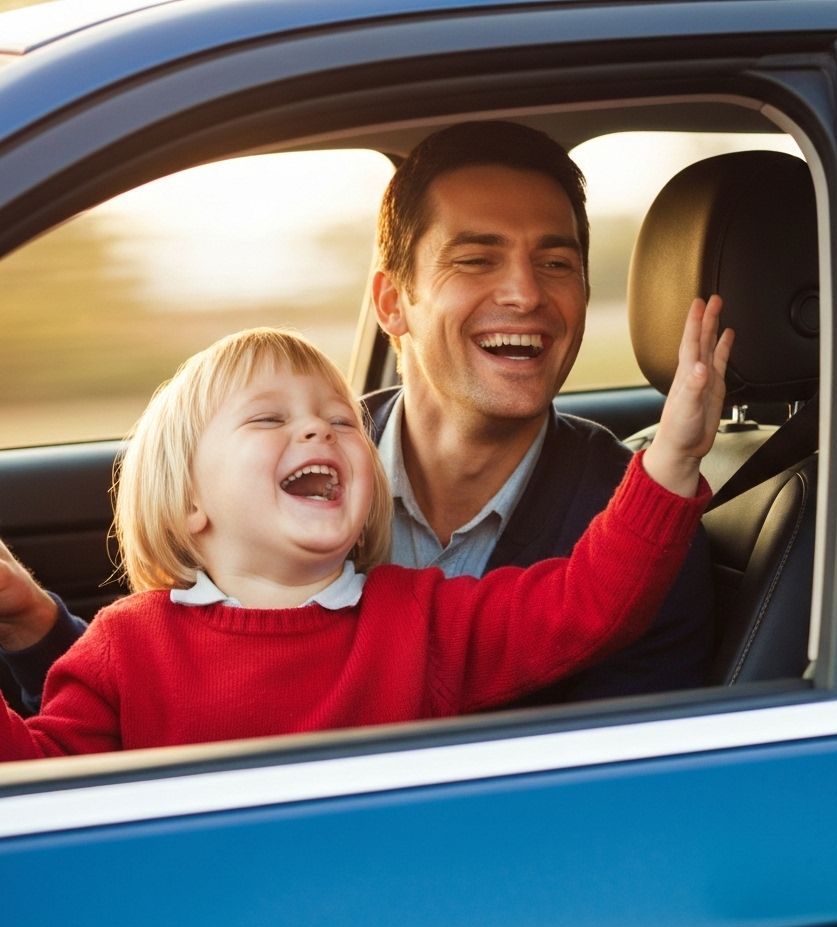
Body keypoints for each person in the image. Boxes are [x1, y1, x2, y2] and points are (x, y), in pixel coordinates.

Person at [0, 120, 716, 714]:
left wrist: (672, 465)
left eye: (556, 264)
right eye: (476, 259)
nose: (526, 294)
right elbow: (179, 701)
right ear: (392, 303)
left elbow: (609, 788)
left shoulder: (642, 543)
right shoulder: (302, 476)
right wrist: (38, 627)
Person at [0, 300, 730, 758]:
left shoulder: (421, 618)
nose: (319, 429)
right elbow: (37, 780)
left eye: (342, 420)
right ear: (191, 501)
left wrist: (671, 458)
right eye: (269, 417)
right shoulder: (126, 647)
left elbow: (588, 604)